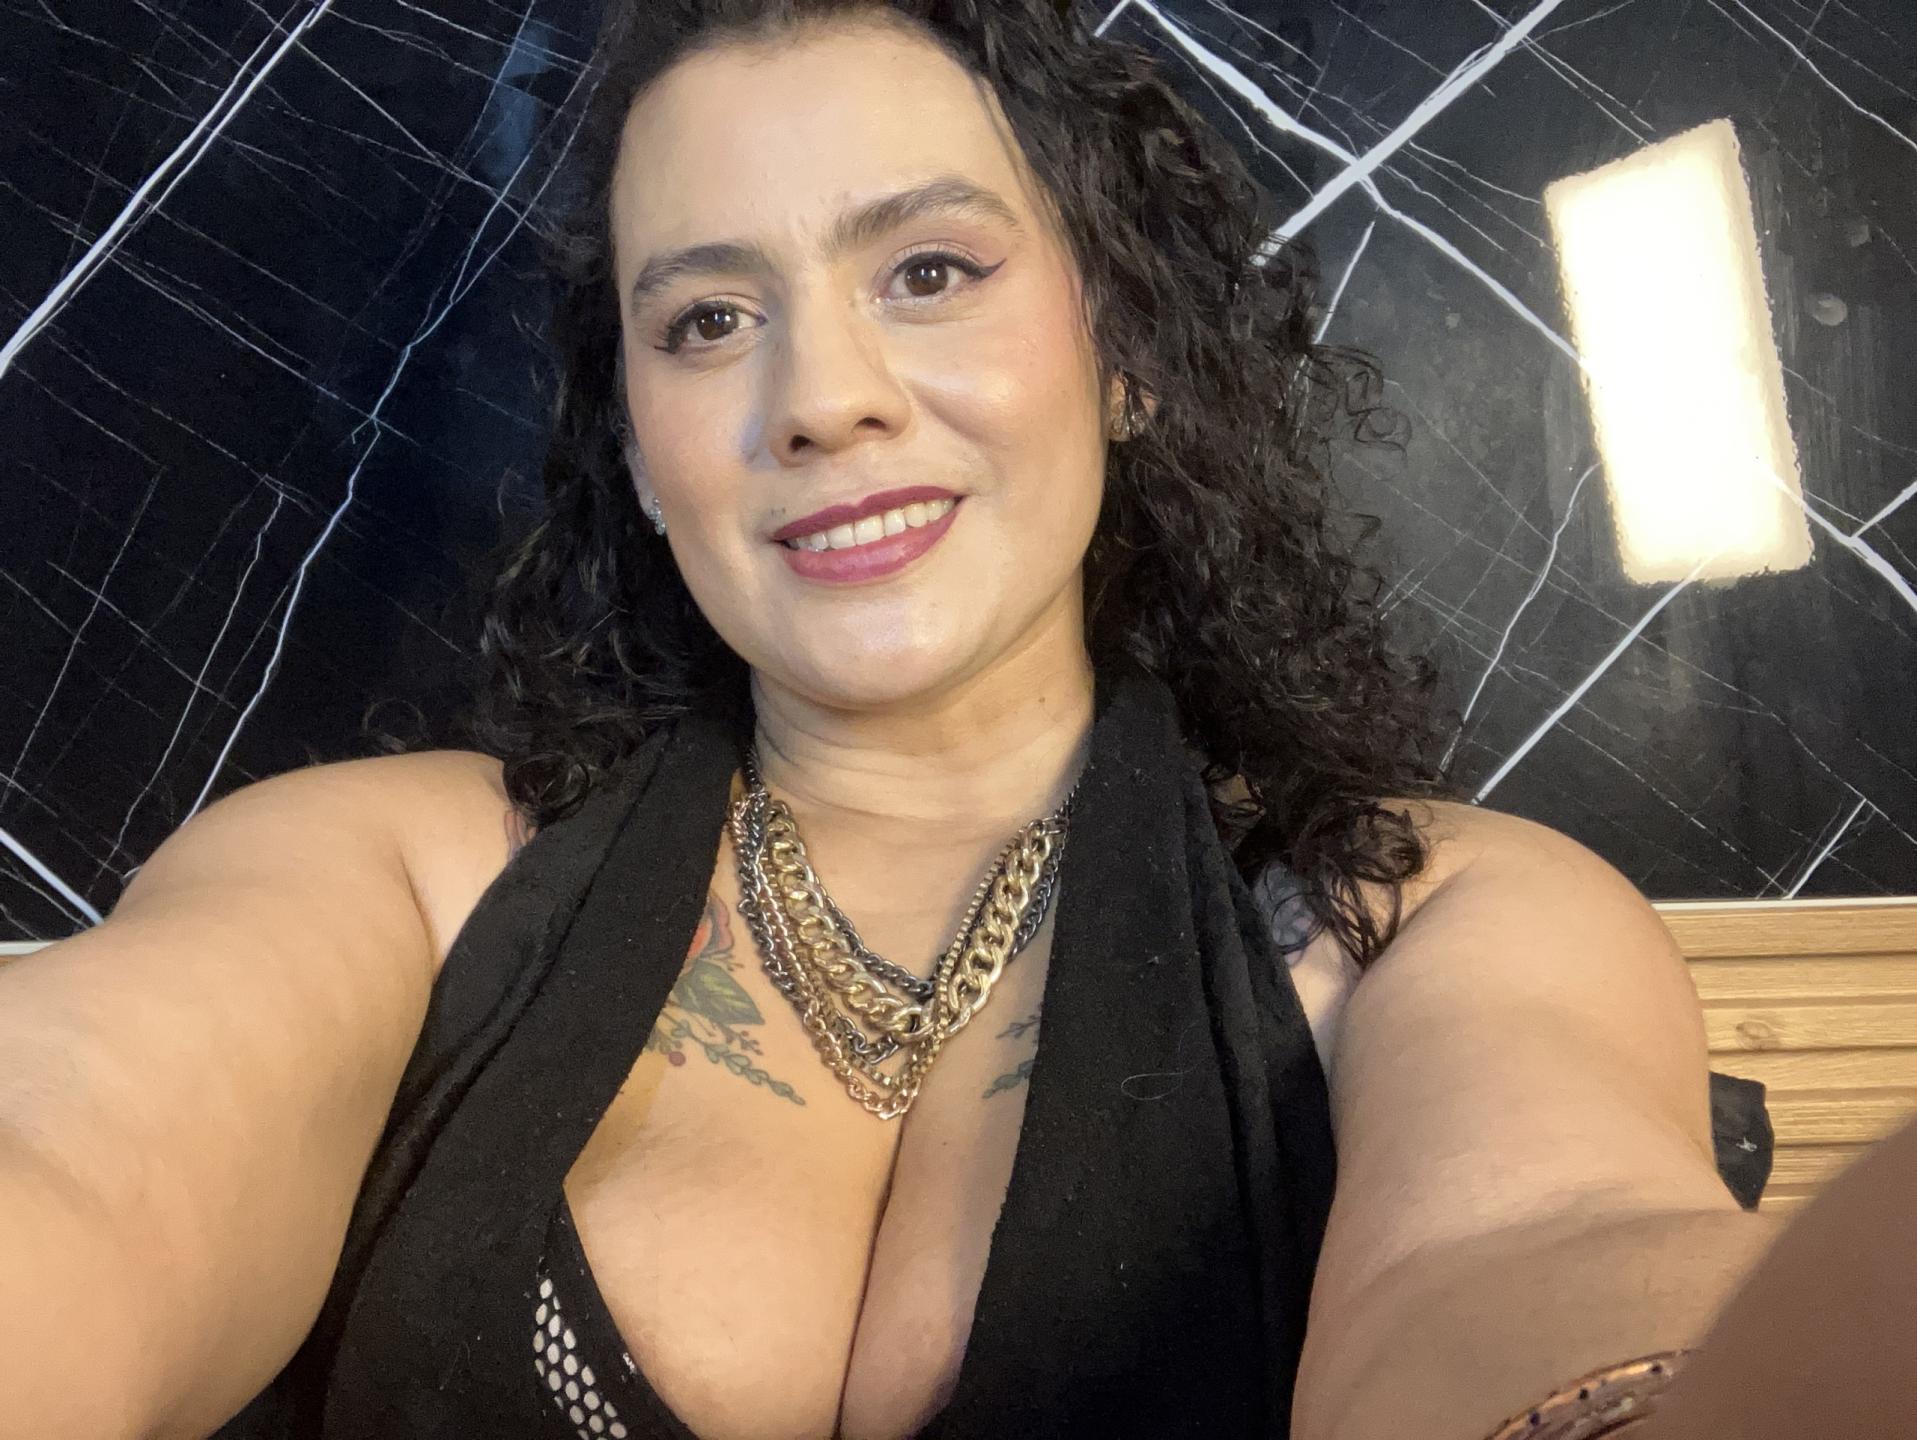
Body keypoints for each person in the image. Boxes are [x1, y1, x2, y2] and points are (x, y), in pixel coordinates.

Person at [2, 2, 1911, 1438]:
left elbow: (1537, 1248)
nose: (820, 396)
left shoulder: (1432, 921)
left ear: (1125, 351)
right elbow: (82, 1149)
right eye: (706, 319)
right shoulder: (393, 876)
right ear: (639, 451)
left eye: (928, 271)